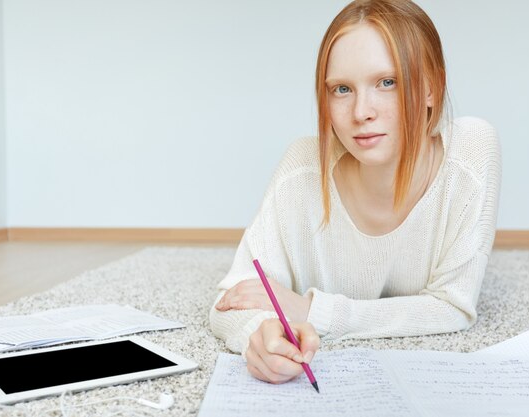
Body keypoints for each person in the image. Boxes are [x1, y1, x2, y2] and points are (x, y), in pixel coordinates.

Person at [210, 0, 501, 385]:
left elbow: (453, 307)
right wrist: (259, 335)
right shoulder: (302, 166)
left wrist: (311, 310)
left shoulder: (471, 150)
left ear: (432, 88)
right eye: (342, 89)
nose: (361, 111)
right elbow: (232, 298)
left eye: (387, 82)